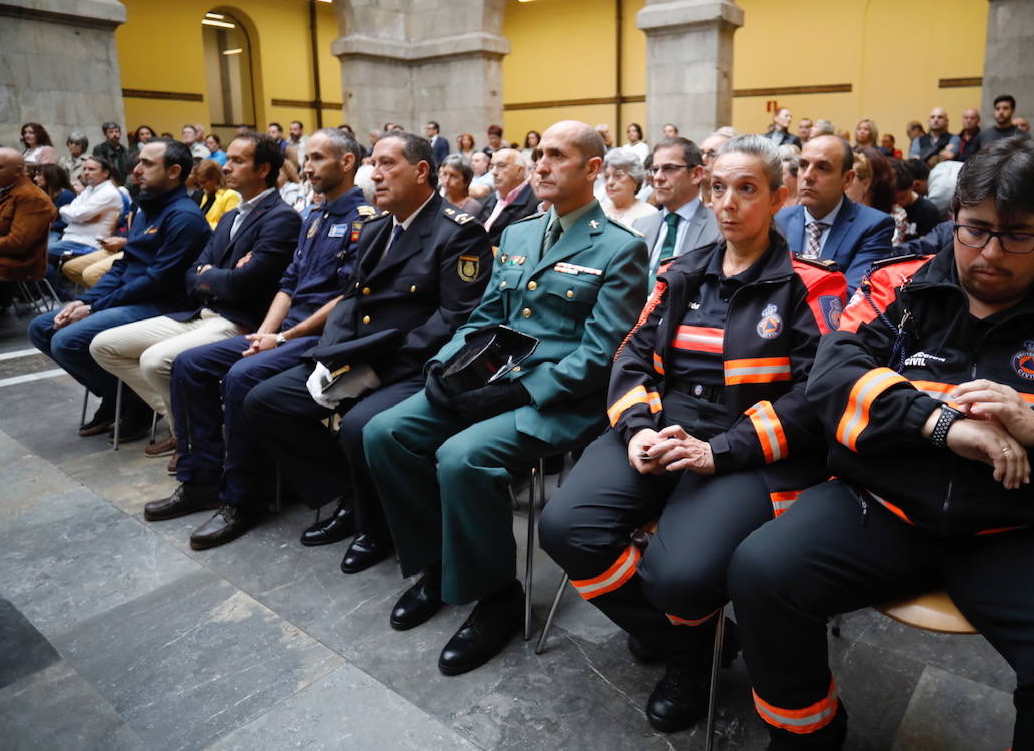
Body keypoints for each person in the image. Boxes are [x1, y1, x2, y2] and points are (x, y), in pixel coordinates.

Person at [728, 136, 1034, 750]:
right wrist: (941, 424)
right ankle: (809, 734)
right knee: (762, 571)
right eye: (974, 230)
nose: (990, 254)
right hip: (883, 506)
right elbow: (831, 378)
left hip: (1030, 530)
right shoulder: (896, 288)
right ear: (953, 218)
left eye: (1017, 235)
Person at [541, 134, 848, 733]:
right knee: (565, 528)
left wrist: (719, 451)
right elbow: (631, 357)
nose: (728, 203)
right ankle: (698, 643)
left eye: (747, 189)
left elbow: (816, 395)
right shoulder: (681, 272)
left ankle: (686, 658)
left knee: (679, 573)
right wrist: (636, 429)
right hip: (664, 425)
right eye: (718, 188)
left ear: (780, 197)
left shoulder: (811, 285)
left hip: (748, 444)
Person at [360, 120, 647, 677]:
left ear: (592, 169)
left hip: (560, 398)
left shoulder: (620, 249)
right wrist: (447, 366)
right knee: (384, 433)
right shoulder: (517, 235)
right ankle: (442, 569)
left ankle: (497, 596)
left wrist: (518, 390)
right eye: (538, 154)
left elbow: (599, 354)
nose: (540, 164)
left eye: (556, 156)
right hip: (494, 377)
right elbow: (486, 318)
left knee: (461, 457)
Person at [244, 131, 492, 572]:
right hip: (357, 354)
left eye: (386, 164)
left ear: (420, 171)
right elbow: (351, 299)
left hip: (412, 363)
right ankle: (351, 499)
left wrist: (374, 368)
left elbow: (454, 319)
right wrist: (333, 354)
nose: (372, 174)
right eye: (371, 164)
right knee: (266, 401)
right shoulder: (377, 227)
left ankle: (378, 529)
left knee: (360, 424)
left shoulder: (457, 232)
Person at [144, 128, 377, 549]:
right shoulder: (314, 218)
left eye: (319, 158)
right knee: (189, 365)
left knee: (240, 377)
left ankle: (243, 499)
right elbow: (288, 285)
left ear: (347, 163)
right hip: (287, 332)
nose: (307, 167)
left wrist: (284, 336)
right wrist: (266, 333)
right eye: (306, 158)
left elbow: (346, 299)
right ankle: (201, 479)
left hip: (322, 337)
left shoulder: (365, 221)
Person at [89, 132, 300, 459]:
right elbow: (191, 273)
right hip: (200, 312)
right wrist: (217, 275)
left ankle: (192, 437)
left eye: (237, 161)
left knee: (155, 361)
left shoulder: (281, 217)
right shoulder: (231, 215)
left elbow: (242, 285)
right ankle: (189, 424)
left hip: (241, 320)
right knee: (105, 346)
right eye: (227, 159)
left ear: (263, 169)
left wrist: (213, 275)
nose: (226, 167)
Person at [28, 138, 211, 440]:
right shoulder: (145, 207)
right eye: (138, 162)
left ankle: (135, 404)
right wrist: (85, 301)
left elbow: (157, 280)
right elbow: (124, 265)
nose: (136, 170)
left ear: (174, 171)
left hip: (165, 305)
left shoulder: (184, 217)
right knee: (42, 327)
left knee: (68, 340)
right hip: (134, 297)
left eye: (147, 164)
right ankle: (118, 397)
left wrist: (96, 307)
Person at [775, 136, 893, 290]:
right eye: (803, 165)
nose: (807, 176)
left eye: (822, 168)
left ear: (847, 179)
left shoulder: (873, 226)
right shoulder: (779, 220)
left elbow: (855, 295)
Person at [632, 137, 721, 290]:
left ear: (696, 174)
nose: (658, 177)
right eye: (655, 169)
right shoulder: (640, 226)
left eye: (669, 168)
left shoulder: (719, 229)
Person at [0, 148, 56, 282]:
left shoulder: (32, 198)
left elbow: (16, 243)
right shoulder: (5, 189)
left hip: (15, 263)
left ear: (18, 171)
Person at [48, 156, 124, 261]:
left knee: (43, 252)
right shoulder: (89, 189)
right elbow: (70, 217)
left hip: (88, 243)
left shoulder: (109, 192)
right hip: (70, 238)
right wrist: (72, 213)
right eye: (84, 169)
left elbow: (78, 215)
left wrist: (63, 210)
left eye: (91, 169)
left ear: (105, 173)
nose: (86, 173)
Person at [476, 148, 539, 245]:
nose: (493, 172)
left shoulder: (535, 202)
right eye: (491, 167)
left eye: (501, 166)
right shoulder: (492, 197)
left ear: (519, 171)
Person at [601, 148, 657, 226]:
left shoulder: (650, 214)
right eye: (606, 177)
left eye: (618, 176)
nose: (610, 182)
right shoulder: (599, 210)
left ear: (635, 180)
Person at [892, 157, 941, 242]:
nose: (898, 203)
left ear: (913, 186)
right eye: (893, 199)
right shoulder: (886, 204)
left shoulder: (928, 211)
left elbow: (927, 246)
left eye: (902, 198)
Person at [193, 160, 241, 229]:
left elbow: (229, 225)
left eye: (204, 182)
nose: (201, 186)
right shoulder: (206, 195)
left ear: (214, 178)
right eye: (199, 183)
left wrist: (202, 225)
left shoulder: (230, 195)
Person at [34, 163, 75, 244]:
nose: (35, 179)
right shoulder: (42, 193)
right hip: (43, 230)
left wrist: (44, 226)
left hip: (58, 232)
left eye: (39, 175)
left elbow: (66, 221)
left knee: (47, 248)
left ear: (50, 176)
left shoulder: (66, 195)